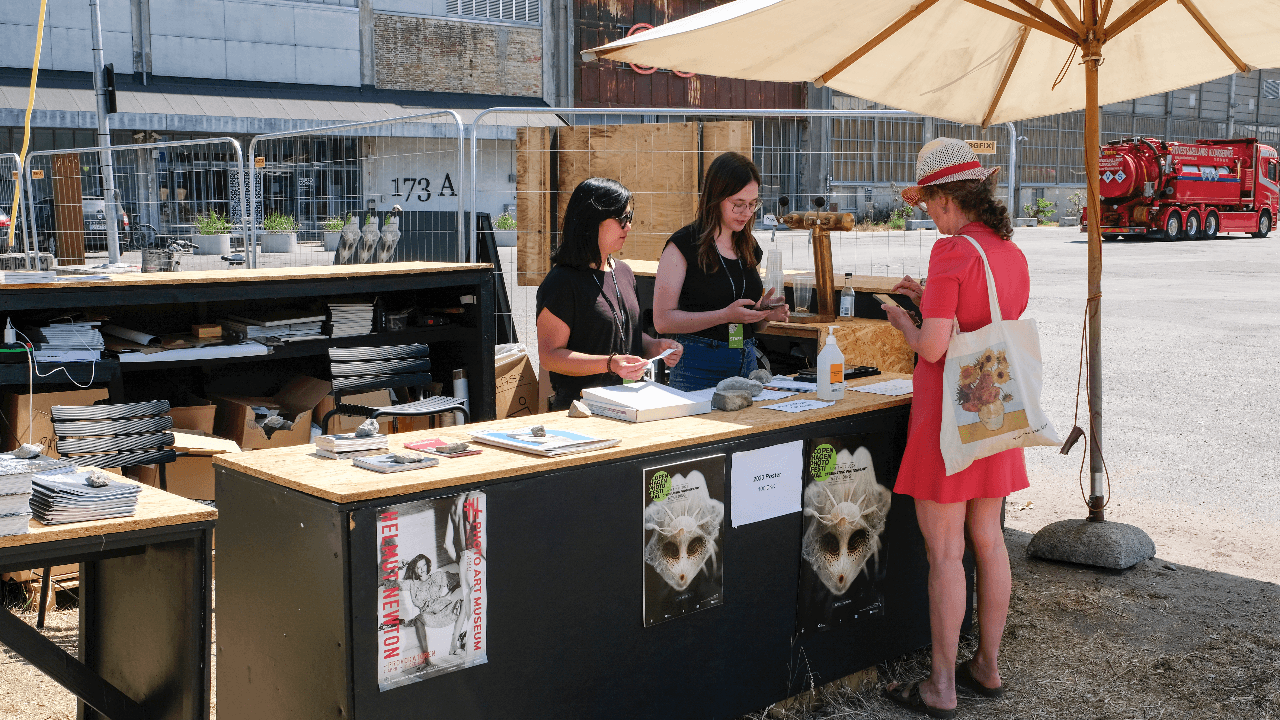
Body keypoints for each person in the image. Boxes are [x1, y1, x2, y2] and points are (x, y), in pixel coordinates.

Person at [880, 138, 1028, 719]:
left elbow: (935, 346)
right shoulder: (1009, 252)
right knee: (989, 541)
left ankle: (941, 686)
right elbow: (982, 316)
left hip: (948, 419)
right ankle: (987, 666)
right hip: (994, 410)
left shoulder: (951, 252)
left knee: (945, 553)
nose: (926, 214)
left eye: (928, 203)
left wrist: (903, 319)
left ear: (946, 198)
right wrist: (931, 300)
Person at [536, 178, 683, 411]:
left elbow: (624, 336)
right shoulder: (561, 281)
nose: (629, 227)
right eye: (622, 219)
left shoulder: (623, 272)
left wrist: (655, 346)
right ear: (591, 221)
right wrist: (610, 364)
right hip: (581, 411)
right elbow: (550, 357)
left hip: (631, 402)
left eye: (630, 218)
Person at [653, 152, 789, 391]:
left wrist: (763, 315)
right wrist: (724, 316)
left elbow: (747, 321)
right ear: (715, 198)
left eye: (753, 204)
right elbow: (662, 321)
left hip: (744, 361)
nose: (747, 213)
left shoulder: (748, 245)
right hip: (697, 367)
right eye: (738, 204)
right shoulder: (683, 245)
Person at [399, 554, 466, 665]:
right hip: (429, 615)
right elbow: (390, 584)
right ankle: (426, 660)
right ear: (415, 570)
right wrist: (396, 567)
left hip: (445, 609)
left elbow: (462, 578)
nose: (422, 569)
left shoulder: (437, 576)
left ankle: (453, 645)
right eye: (418, 567)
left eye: (424, 565)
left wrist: (448, 595)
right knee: (419, 619)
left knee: (463, 603)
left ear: (427, 565)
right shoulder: (412, 584)